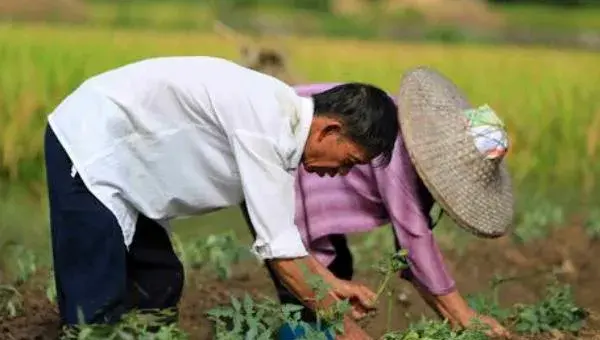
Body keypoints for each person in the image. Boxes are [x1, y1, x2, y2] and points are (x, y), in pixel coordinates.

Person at [43, 56, 400, 339]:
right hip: (91, 145)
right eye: (348, 161)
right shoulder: (268, 127)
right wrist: (346, 332)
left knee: (158, 283)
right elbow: (283, 258)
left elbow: (287, 242)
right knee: (93, 311)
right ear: (329, 130)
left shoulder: (283, 126)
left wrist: (333, 284)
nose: (341, 173)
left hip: (132, 174)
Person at [241, 68, 515, 339]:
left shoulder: (419, 141)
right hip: (272, 157)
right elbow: (415, 239)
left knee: (332, 278)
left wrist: (454, 314)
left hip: (297, 167)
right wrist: (462, 316)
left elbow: (410, 249)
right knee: (308, 286)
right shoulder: (399, 146)